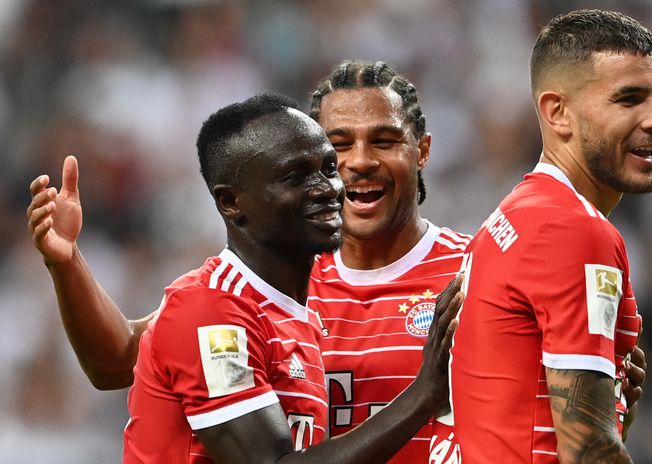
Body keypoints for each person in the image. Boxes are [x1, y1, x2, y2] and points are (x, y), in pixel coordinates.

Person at [27, 60, 645, 462]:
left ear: (422, 151)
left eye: (384, 140)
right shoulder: (265, 288)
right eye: (336, 146)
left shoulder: (478, 272)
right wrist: (67, 262)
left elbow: (555, 419)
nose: (356, 163)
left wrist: (606, 405)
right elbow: (120, 361)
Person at [27, 92, 464, 463]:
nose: (329, 189)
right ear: (231, 202)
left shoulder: (288, 311)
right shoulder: (212, 312)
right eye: (295, 177)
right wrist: (423, 395)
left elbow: (121, 358)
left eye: (328, 168)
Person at [433, 9, 652, 463]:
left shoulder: (518, 212)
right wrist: (603, 429)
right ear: (558, 113)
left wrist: (615, 410)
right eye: (628, 99)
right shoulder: (573, 230)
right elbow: (588, 449)